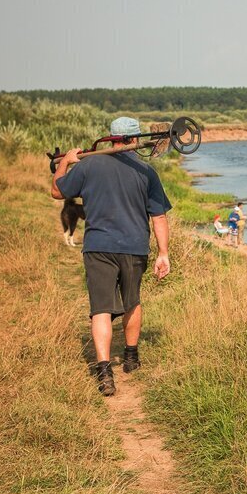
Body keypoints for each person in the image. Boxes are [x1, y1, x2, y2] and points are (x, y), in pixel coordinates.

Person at [51, 116, 172, 396]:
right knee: (132, 302)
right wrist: (163, 253)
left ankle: (105, 371)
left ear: (110, 137)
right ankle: (130, 357)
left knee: (101, 309)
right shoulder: (146, 172)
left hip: (98, 247)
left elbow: (57, 191)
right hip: (134, 246)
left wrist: (64, 162)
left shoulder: (89, 164)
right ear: (133, 139)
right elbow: (159, 217)